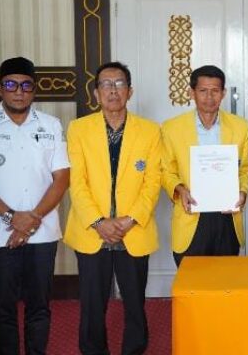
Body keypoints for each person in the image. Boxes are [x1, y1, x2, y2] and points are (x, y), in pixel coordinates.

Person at [0, 57, 69, 355]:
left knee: (39, 306)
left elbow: (61, 179)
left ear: (34, 89)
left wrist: (31, 219)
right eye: (10, 85)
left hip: (42, 232)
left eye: (26, 85)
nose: (18, 92)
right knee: (3, 308)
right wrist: (12, 217)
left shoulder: (51, 125)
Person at [64, 61, 162, 355]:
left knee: (135, 301)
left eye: (119, 84)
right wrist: (99, 221)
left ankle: (134, 349)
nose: (113, 90)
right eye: (106, 84)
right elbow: (76, 182)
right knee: (92, 303)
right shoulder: (79, 129)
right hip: (92, 231)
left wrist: (130, 219)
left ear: (130, 91)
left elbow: (153, 182)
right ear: (96, 93)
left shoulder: (150, 131)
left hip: (132, 229)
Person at [161, 65, 248, 266]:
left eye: (215, 91)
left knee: (225, 280)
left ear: (223, 93)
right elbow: (166, 171)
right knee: (192, 281)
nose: (209, 97)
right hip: (191, 214)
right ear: (191, 93)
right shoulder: (171, 128)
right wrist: (180, 189)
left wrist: (243, 192)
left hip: (227, 217)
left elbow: (244, 169)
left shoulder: (240, 127)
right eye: (203, 91)